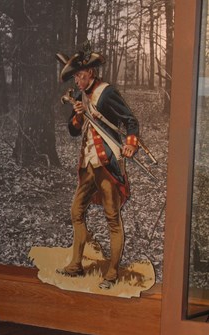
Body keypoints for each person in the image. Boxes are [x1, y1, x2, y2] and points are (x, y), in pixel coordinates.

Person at [56, 45, 139, 290]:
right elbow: (73, 131)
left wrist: (131, 143)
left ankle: (112, 273)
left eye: (80, 76)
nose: (77, 80)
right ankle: (76, 265)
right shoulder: (80, 96)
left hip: (106, 163)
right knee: (76, 212)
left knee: (112, 218)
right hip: (88, 164)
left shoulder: (106, 92)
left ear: (90, 72)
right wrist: (77, 115)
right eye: (75, 77)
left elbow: (130, 120)